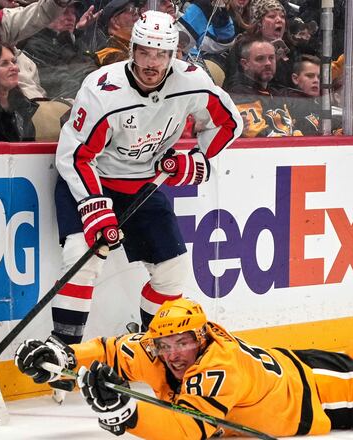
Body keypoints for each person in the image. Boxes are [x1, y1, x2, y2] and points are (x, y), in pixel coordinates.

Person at [14, 267, 353, 438]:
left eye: (184, 343)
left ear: (202, 337)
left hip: (316, 395)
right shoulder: (159, 347)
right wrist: (64, 360)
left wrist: (126, 416)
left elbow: (191, 428)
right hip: (292, 370)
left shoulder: (218, 367)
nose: (174, 354)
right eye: (166, 345)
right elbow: (110, 351)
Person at [50, 10, 243, 352]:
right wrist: (95, 207)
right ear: (132, 50)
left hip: (141, 185)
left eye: (160, 54)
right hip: (91, 181)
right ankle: (63, 352)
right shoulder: (103, 90)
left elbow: (229, 123)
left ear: (172, 55)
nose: (152, 63)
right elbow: (75, 155)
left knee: (173, 272)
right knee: (83, 258)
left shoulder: (192, 82)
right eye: (144, 52)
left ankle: (147, 348)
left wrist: (197, 158)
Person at [223, 35, 300, 137]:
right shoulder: (239, 93)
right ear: (245, 64)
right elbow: (258, 134)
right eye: (260, 59)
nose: (268, 63)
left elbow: (293, 129)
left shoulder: (275, 92)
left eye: (271, 58)